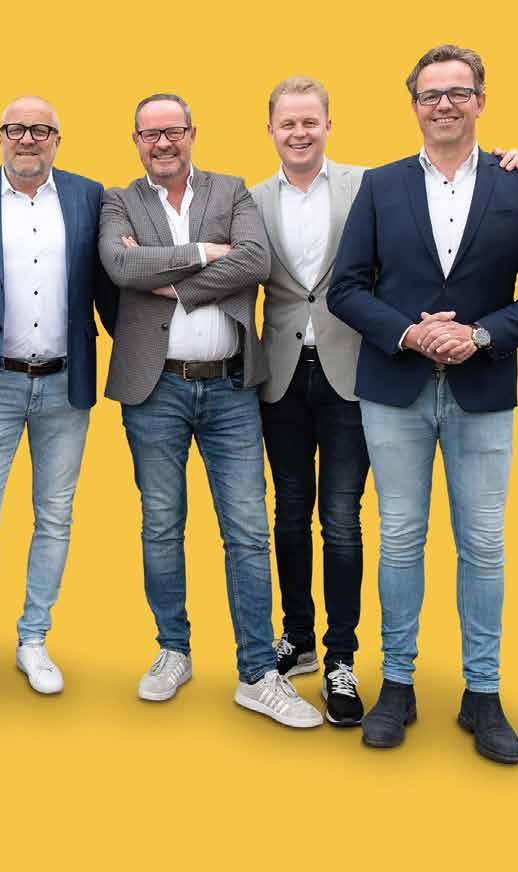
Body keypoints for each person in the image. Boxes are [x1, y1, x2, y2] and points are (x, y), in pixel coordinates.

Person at [253, 77, 518, 726]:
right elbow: (313, 278)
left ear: (328, 124)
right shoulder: (256, 198)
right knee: (301, 514)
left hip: (372, 373)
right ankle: (315, 644)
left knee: (360, 520)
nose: (299, 132)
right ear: (270, 129)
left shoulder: (373, 183)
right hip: (298, 373)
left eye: (310, 120)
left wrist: (465, 333)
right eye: (287, 122)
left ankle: (366, 663)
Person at [328, 45, 518, 763]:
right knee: (400, 538)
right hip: (395, 389)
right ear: (413, 106)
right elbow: (346, 288)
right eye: (430, 94)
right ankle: (397, 685)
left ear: (480, 101)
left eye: (458, 92)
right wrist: (410, 332)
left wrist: (480, 335)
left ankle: (482, 693)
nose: (444, 104)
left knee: (483, 544)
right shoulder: (381, 185)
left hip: (482, 391)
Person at [98, 93, 321, 728]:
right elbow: (120, 265)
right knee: (161, 526)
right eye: (150, 134)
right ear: (136, 141)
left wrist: (167, 280)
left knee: (247, 531)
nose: (162, 143)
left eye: (173, 131)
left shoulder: (231, 190)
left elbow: (256, 261)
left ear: (192, 133)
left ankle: (257, 673)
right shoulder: (119, 201)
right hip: (154, 390)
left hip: (231, 390)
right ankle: (173, 650)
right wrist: (206, 253)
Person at [0, 96, 117, 704]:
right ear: (0, 136)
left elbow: (111, 288)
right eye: (16, 129)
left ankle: (34, 639)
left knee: (54, 516)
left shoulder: (89, 197)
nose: (27, 138)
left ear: (58, 139)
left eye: (40, 130)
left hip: (66, 385)